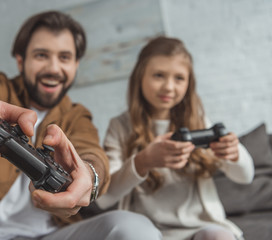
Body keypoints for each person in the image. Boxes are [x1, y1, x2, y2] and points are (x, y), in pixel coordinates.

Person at [0, 11, 160, 240]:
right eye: (41, 55)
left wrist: (89, 174)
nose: (53, 68)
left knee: (134, 227)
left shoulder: (77, 115)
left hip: (51, 234)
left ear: (76, 65)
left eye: (65, 58)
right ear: (21, 61)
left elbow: (92, 153)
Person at [96, 36, 254, 240]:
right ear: (140, 77)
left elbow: (245, 176)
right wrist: (143, 162)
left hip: (201, 228)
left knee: (219, 237)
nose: (169, 87)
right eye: (159, 75)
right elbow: (104, 198)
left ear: (189, 83)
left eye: (179, 78)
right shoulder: (120, 127)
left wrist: (234, 154)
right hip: (148, 231)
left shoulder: (199, 121)